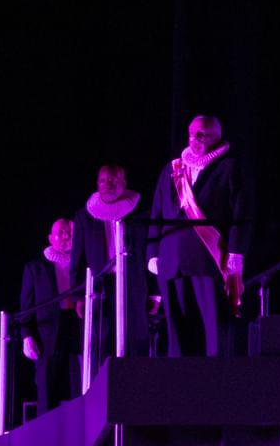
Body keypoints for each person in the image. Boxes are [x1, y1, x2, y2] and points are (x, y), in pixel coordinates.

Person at [148, 115, 255, 358]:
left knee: (212, 331)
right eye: (192, 133)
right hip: (171, 261)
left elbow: (242, 213)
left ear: (217, 138)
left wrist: (236, 253)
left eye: (203, 134)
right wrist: (152, 253)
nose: (195, 139)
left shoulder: (230, 167)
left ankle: (214, 384)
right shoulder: (173, 168)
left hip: (208, 260)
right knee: (176, 333)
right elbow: (156, 210)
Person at [73, 162, 150, 365]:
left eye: (114, 181)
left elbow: (150, 251)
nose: (108, 184)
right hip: (100, 286)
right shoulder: (84, 216)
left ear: (124, 183)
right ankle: (101, 389)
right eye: (103, 180)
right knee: (101, 339)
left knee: (134, 336)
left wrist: (155, 292)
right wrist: (78, 296)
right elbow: (77, 259)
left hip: (133, 284)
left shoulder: (140, 211)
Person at [19, 218, 80, 419]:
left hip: (77, 326)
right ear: (50, 238)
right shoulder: (35, 267)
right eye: (61, 232)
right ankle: (46, 437)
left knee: (79, 383)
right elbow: (26, 306)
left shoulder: (82, 261)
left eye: (69, 232)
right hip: (47, 333)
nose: (66, 236)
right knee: (47, 388)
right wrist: (27, 335)